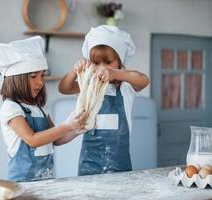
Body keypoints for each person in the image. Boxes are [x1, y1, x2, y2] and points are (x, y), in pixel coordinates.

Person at [0, 36, 86, 182]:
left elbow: (56, 139)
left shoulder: (40, 107)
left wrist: (76, 130)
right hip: (23, 183)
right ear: (16, 79)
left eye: (42, 75)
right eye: (33, 76)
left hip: (47, 180)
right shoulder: (11, 108)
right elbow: (32, 140)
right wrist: (66, 125)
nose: (40, 82)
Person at [58, 25, 149, 176]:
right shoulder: (88, 86)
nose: (101, 68)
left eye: (108, 62)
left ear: (119, 63)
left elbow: (143, 80)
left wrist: (114, 73)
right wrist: (74, 71)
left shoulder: (126, 88)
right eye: (96, 62)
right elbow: (64, 88)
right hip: (88, 163)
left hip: (119, 165)